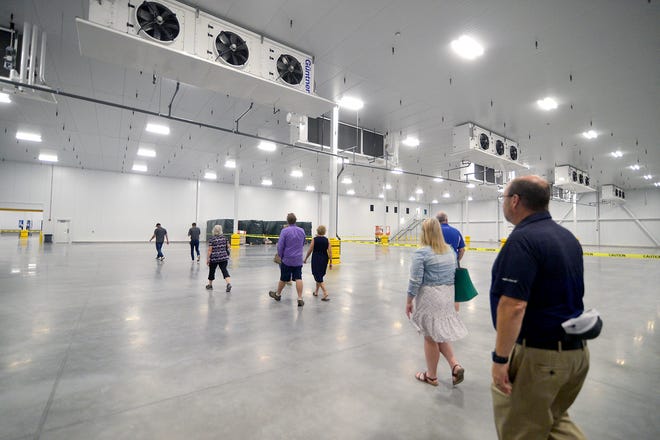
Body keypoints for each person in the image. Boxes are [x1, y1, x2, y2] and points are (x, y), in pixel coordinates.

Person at [490, 175, 589, 439]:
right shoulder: (568, 238)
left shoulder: (522, 240)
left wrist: (500, 360)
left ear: (515, 201)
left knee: (520, 430)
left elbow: (513, 306)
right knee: (555, 423)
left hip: (541, 358)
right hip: (575, 355)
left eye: (504, 198)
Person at [406, 218, 468, 387]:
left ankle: (431, 376)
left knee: (430, 337)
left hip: (430, 296)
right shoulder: (450, 251)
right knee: (439, 332)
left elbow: (415, 280)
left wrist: (409, 300)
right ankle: (455, 365)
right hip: (447, 295)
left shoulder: (421, 253)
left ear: (424, 233)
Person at [269, 213, 306, 307]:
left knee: (283, 278)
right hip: (298, 259)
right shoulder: (302, 231)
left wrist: (280, 256)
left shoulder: (284, 231)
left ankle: (277, 294)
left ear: (287, 221)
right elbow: (303, 243)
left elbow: (280, 245)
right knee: (298, 278)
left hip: (287, 259)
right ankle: (300, 298)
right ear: (295, 220)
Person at [304, 225, 332, 301]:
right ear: (324, 232)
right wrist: (331, 262)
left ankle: (325, 292)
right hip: (324, 259)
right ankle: (316, 292)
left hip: (316, 259)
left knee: (317, 276)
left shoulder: (315, 239)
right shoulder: (327, 240)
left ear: (317, 231)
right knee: (319, 275)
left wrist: (306, 258)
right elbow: (330, 252)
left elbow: (310, 250)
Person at [206, 224, 231, 292]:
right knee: (224, 270)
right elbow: (228, 246)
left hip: (214, 258)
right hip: (224, 257)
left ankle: (210, 285)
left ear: (214, 230)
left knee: (212, 271)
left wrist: (208, 259)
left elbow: (210, 250)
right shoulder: (225, 238)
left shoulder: (212, 239)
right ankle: (228, 283)